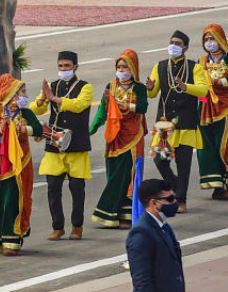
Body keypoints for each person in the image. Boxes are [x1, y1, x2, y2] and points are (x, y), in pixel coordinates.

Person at [31, 51, 94, 240]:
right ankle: (58, 227)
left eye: (67, 66)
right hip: (55, 143)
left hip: (77, 143)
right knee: (53, 186)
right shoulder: (52, 86)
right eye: (60, 66)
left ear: (76, 67)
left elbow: (78, 105)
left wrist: (55, 99)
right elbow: (37, 109)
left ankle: (77, 226)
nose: (63, 69)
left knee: (76, 187)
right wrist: (42, 99)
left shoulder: (86, 87)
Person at [146, 30, 209, 212]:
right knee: (159, 160)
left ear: (186, 48)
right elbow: (152, 93)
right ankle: (175, 189)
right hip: (165, 124)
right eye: (172, 42)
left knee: (183, 165)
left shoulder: (193, 67)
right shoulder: (160, 66)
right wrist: (150, 88)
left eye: (179, 43)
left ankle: (181, 200)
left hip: (186, 123)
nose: (174, 46)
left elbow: (204, 91)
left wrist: (186, 87)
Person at [0, 73, 43, 256]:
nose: (25, 95)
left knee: (14, 201)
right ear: (11, 93)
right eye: (22, 92)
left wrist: (23, 129)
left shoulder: (26, 113)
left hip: (19, 165)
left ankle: (12, 241)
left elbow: (38, 129)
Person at [89, 49, 148, 228]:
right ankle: (113, 214)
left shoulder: (139, 88)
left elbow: (142, 107)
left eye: (125, 66)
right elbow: (102, 113)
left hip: (132, 138)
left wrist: (123, 104)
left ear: (133, 68)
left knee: (128, 175)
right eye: (119, 66)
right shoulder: (111, 87)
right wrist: (88, 132)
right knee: (114, 174)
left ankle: (127, 214)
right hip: (114, 138)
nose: (122, 70)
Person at [126, 178, 186, 292]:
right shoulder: (140, 234)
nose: (174, 203)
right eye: (169, 199)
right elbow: (142, 281)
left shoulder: (165, 227)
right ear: (153, 203)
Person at [196, 24, 228, 197]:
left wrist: (219, 83)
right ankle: (218, 185)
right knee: (207, 148)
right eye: (206, 39)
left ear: (221, 39)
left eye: (212, 38)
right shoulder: (202, 62)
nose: (209, 42)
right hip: (206, 110)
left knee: (224, 145)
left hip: (225, 108)